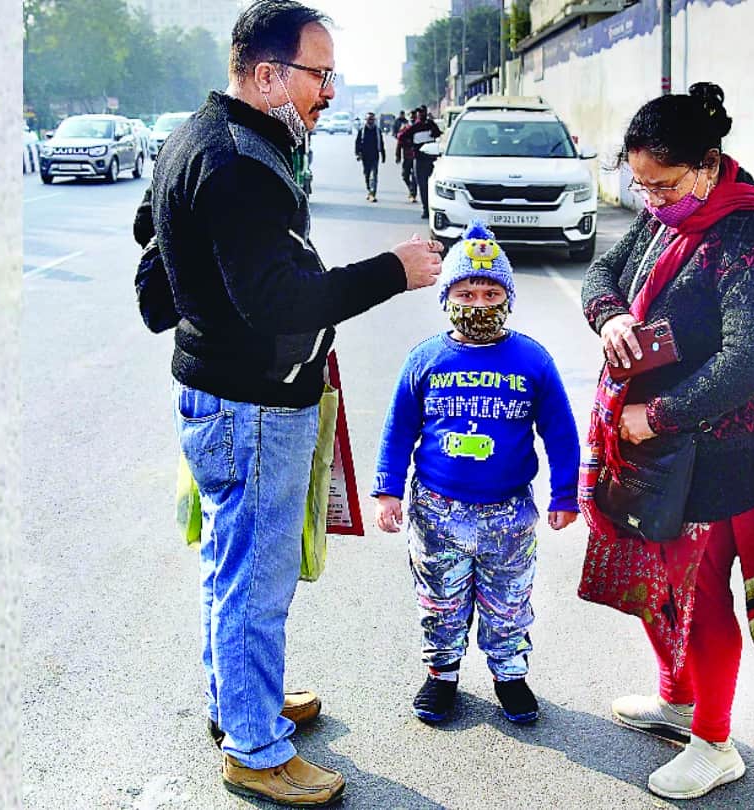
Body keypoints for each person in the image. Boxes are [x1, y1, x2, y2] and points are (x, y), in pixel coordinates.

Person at [141, 1, 444, 805]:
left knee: (230, 565)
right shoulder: (237, 160)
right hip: (250, 407)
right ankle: (255, 749)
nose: (329, 92)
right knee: (255, 581)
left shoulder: (202, 136)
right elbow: (277, 303)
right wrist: (394, 269)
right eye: (320, 74)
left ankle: (240, 702)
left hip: (222, 395)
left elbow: (154, 256)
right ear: (268, 74)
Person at [576, 82, 754, 801]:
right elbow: (603, 270)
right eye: (641, 186)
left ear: (708, 164)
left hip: (725, 457)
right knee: (661, 584)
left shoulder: (751, 235)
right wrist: (610, 317)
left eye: (663, 185)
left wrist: (657, 415)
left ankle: (715, 743)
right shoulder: (670, 216)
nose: (651, 200)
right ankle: (678, 699)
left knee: (700, 599)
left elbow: (752, 362)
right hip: (660, 450)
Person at [371, 220, 581, 725]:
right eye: (466, 293)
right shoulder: (426, 359)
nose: (479, 304)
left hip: (509, 514)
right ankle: (441, 674)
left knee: (509, 599)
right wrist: (387, 490)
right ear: (446, 298)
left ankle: (509, 674)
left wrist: (565, 494)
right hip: (436, 513)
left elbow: (560, 431)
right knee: (440, 600)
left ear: (508, 298)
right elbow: (399, 429)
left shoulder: (532, 360)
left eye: (491, 293)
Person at [397, 106, 443, 219]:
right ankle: (426, 209)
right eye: (420, 113)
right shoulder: (414, 127)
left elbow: (438, 134)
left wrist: (433, 133)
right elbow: (401, 137)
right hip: (419, 160)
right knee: (422, 186)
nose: (422, 114)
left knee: (433, 186)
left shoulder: (431, 124)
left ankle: (433, 209)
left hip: (431, 159)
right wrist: (411, 144)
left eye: (423, 112)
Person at [354, 111, 385, 202]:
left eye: (372, 119)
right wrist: (357, 153)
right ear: (366, 120)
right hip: (365, 156)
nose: (370, 121)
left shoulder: (377, 131)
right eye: (369, 119)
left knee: (374, 175)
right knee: (367, 174)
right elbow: (357, 143)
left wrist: (383, 154)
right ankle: (369, 189)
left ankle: (372, 193)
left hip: (375, 155)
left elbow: (381, 143)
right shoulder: (362, 131)